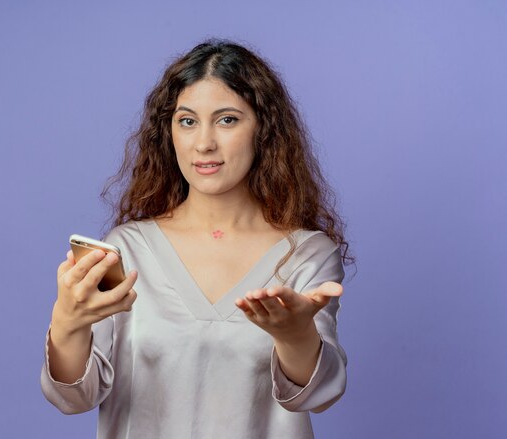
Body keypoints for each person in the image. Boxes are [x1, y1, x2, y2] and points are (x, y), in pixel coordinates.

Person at [40, 39, 353, 439]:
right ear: (168, 132)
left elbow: (318, 394)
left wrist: (296, 336)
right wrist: (67, 323)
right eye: (187, 121)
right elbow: (74, 398)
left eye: (227, 120)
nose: (204, 143)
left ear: (264, 130)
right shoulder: (128, 249)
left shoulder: (305, 254)